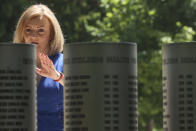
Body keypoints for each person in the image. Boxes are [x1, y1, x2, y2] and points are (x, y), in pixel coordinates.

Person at [13, 4, 64, 131]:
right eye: (28, 30)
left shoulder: (64, 62)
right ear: (22, 33)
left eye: (41, 30)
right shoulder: (12, 63)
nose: (33, 36)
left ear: (51, 34)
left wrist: (56, 77)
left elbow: (87, 90)